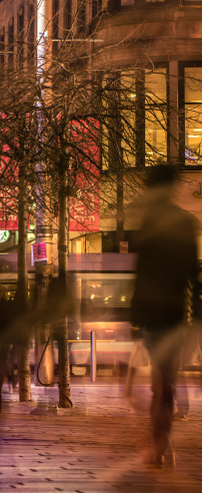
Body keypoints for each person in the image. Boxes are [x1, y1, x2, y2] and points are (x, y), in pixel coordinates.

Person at [130, 164, 198, 469]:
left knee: (161, 383)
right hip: (172, 315)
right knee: (166, 384)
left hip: (154, 315)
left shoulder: (149, 222)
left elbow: (141, 273)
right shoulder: (184, 221)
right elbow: (191, 277)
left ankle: (159, 440)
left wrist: (135, 319)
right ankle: (160, 439)